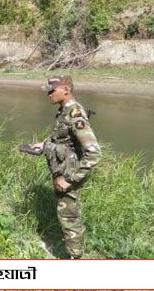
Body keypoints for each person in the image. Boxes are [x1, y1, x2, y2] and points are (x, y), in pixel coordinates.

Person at [27, 76, 101, 259]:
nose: (49, 94)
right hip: (63, 170)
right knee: (66, 212)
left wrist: (69, 179)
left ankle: (75, 258)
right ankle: (74, 252)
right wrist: (43, 145)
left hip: (69, 173)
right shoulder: (64, 111)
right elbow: (61, 139)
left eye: (52, 90)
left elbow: (94, 153)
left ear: (66, 90)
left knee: (69, 217)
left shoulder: (75, 113)